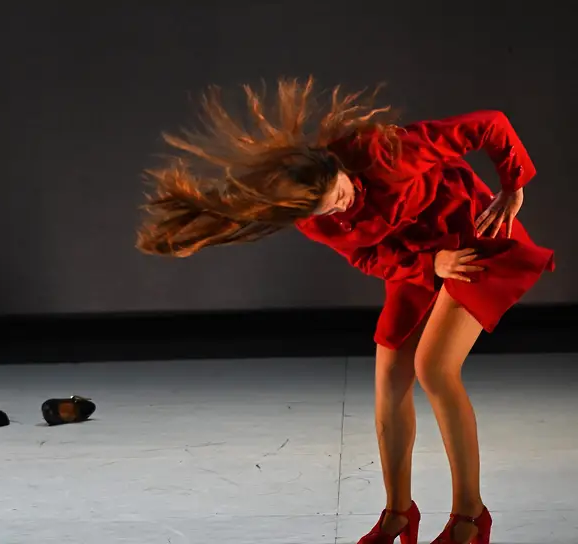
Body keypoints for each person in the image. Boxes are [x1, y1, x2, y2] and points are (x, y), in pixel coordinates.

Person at [136, 77, 553, 544]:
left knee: (435, 369)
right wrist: (427, 265)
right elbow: (367, 257)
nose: (341, 205)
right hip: (421, 262)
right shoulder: (314, 219)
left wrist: (512, 185)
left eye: (337, 192)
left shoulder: (383, 153)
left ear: (334, 165)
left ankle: (470, 519)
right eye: (328, 208)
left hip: (475, 240)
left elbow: (489, 125)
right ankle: (399, 513)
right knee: (388, 382)